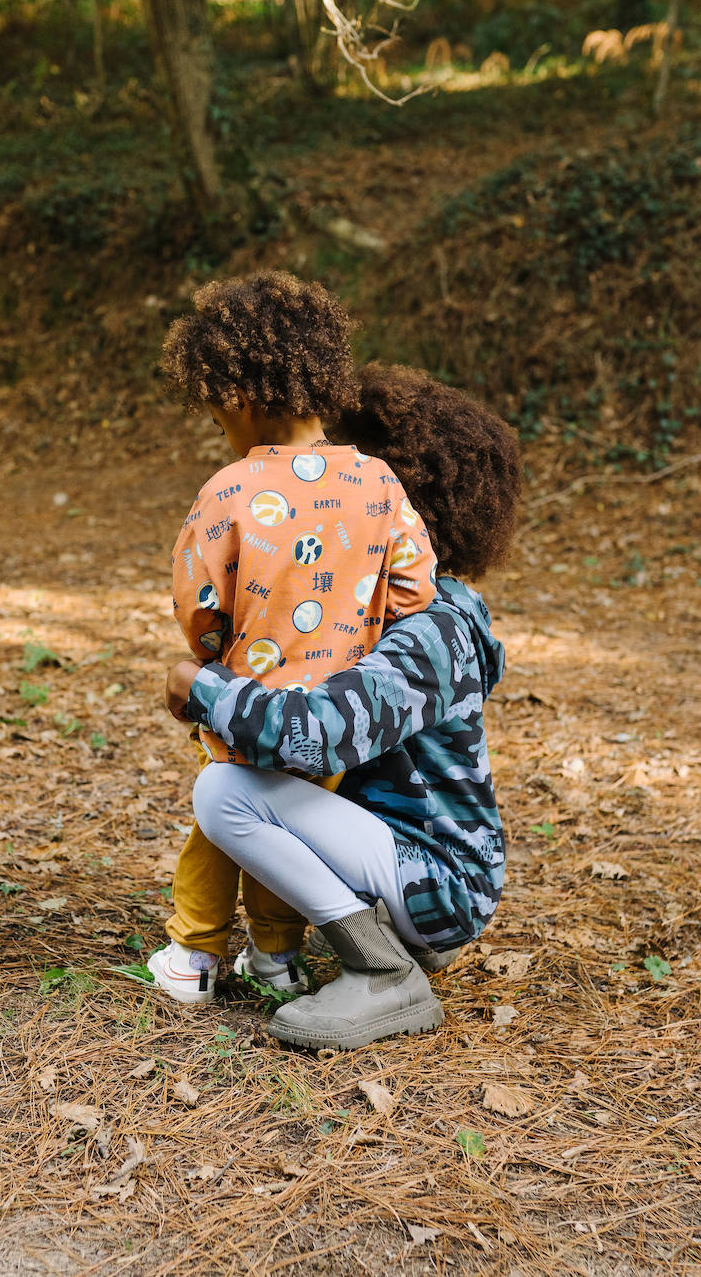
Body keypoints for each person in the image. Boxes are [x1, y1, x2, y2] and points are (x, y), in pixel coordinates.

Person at [165, 363, 522, 1049]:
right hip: (411, 857)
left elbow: (316, 738)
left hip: (439, 878)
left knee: (225, 793)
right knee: (254, 784)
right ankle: (359, 938)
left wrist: (200, 687)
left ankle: (385, 970)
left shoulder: (431, 629)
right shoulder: (384, 610)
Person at [148, 275, 439, 1004]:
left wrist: (211, 658)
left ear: (238, 402)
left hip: (246, 701)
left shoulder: (229, 491)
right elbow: (416, 588)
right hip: (337, 717)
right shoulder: (379, 483)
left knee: (220, 822)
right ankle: (275, 956)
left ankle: (193, 954)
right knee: (289, 830)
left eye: (218, 418)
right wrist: (364, 634)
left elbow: (199, 605)